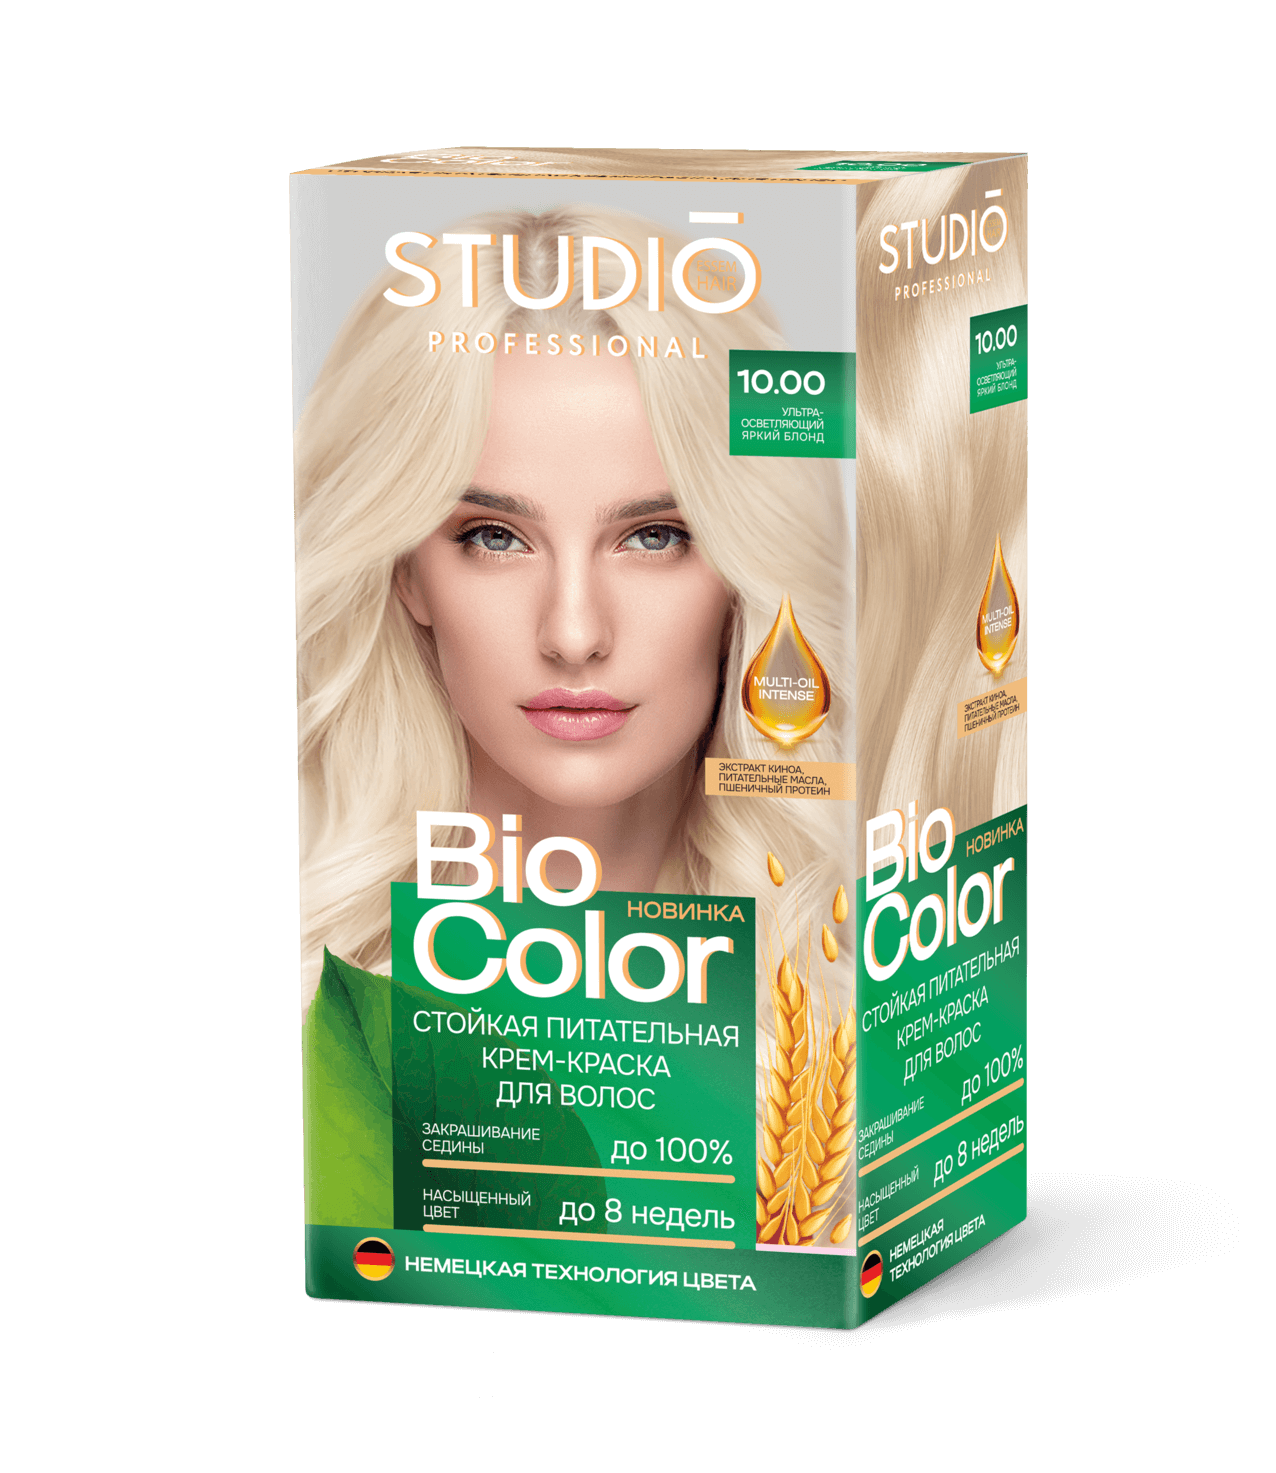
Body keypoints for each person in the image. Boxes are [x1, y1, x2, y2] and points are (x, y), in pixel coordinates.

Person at [297, 206, 852, 1019]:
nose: (574, 635)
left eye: (654, 536)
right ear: (406, 571)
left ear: (743, 570)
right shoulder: (330, 1004)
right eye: (494, 537)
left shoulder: (847, 1005)